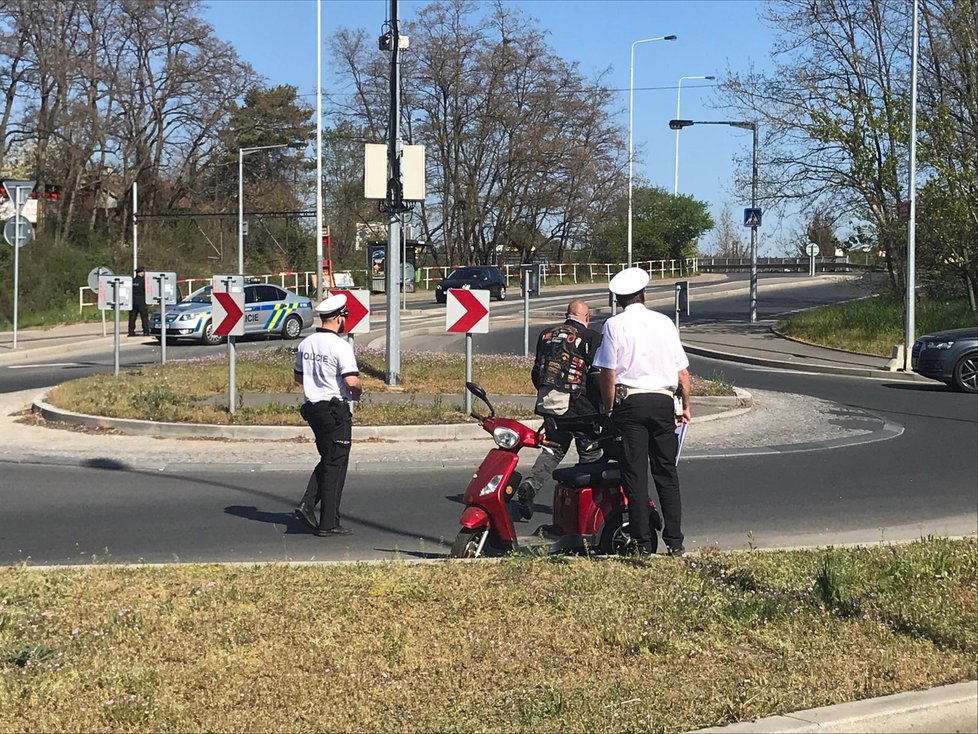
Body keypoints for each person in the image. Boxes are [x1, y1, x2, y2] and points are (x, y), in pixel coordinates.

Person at [593, 267, 691, 556]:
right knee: (667, 473)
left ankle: (643, 542)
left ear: (618, 299)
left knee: (635, 475)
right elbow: (682, 372)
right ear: (644, 294)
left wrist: (609, 408)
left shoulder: (613, 325)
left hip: (631, 403)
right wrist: (685, 406)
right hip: (663, 403)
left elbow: (608, 372)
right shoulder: (665, 323)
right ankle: (675, 541)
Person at [516, 299, 603, 520]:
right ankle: (585, 504)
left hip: (551, 405)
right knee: (590, 454)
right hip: (582, 409)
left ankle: (530, 485)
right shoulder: (592, 337)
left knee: (552, 449)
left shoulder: (545, 335)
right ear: (586, 318)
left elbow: (537, 372)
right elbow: (595, 376)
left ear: (567, 315)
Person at [293, 293, 362, 537]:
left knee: (328, 457)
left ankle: (310, 506)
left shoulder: (306, 344)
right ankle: (327, 522)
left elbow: (299, 377)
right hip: (335, 410)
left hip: (312, 409)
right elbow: (351, 381)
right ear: (339, 318)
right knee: (336, 464)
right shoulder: (340, 346)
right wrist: (359, 391)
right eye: (346, 317)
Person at [127, 266, 149, 337]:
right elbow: (146, 292)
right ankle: (146, 331)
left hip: (133, 302)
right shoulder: (144, 281)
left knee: (132, 317)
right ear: (142, 272)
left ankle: (131, 332)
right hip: (142, 302)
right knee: (144, 318)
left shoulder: (132, 281)